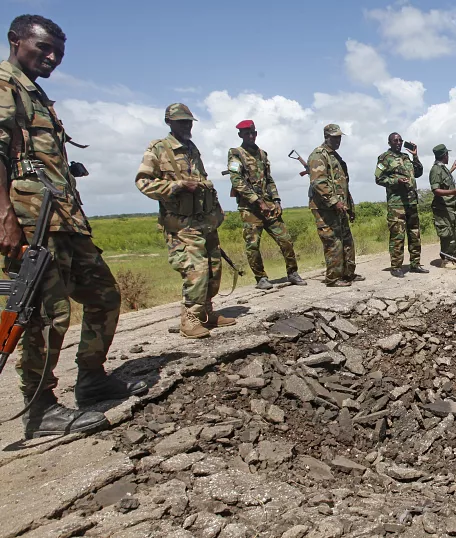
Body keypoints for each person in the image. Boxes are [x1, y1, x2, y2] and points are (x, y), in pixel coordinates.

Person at [0, 14, 146, 438]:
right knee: (43, 313)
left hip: (62, 219)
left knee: (104, 296)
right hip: (28, 222)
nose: (51, 58)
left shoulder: (36, 94)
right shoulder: (5, 84)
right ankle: (40, 407)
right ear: (14, 41)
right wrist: (4, 217)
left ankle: (92, 379)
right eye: (43, 48)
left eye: (58, 53)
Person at [137, 103, 233, 339]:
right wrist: (176, 186)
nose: (187, 125)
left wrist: (216, 210)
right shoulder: (159, 149)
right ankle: (189, 319)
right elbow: (143, 182)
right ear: (169, 122)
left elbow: (202, 180)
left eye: (189, 121)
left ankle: (206, 313)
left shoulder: (192, 149)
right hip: (181, 225)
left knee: (213, 268)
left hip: (204, 221)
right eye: (181, 122)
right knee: (196, 271)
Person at [227, 119, 305, 290]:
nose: (250, 136)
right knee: (253, 244)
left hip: (269, 206)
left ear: (256, 133)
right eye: (246, 133)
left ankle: (292, 273)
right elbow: (237, 180)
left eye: (252, 133)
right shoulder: (235, 154)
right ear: (240, 134)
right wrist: (257, 201)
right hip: (250, 209)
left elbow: (269, 179)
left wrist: (276, 200)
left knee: (285, 240)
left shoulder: (262, 154)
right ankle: (261, 278)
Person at [308, 124, 362, 286]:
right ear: (326, 137)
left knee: (346, 240)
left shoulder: (336, 157)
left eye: (339, 137)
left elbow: (343, 185)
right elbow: (319, 183)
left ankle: (348, 273)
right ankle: (333, 278)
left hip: (340, 207)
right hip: (325, 208)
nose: (337, 140)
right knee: (333, 242)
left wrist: (349, 206)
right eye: (334, 137)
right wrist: (333, 201)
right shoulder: (318, 155)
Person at [375, 132, 426, 278]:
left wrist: (415, 156)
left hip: (411, 201)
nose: (398, 142)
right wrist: (395, 181)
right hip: (396, 204)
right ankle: (396, 266)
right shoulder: (384, 158)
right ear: (389, 142)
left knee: (415, 233)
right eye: (395, 140)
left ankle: (415, 264)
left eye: (400, 140)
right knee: (397, 235)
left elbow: (418, 172)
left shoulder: (406, 157)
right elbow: (378, 179)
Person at [429, 144, 456, 268]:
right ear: (444, 155)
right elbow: (436, 190)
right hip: (442, 208)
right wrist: (453, 192)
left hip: (451, 207)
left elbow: (443, 180)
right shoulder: (435, 170)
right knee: (447, 235)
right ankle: (446, 260)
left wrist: (452, 169)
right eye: (447, 154)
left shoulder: (442, 169)